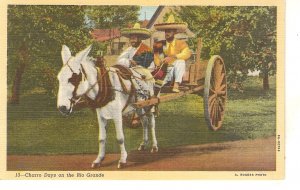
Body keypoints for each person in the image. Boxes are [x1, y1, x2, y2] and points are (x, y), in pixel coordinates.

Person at [153, 14, 191, 92]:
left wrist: (174, 57)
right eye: (166, 31)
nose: (167, 33)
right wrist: (160, 62)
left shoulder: (181, 43)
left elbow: (187, 53)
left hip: (176, 71)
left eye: (169, 31)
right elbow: (156, 57)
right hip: (163, 70)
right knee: (155, 85)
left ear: (174, 32)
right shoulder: (159, 44)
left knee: (181, 61)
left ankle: (176, 84)